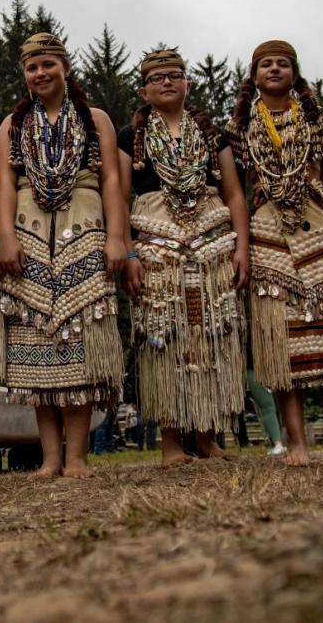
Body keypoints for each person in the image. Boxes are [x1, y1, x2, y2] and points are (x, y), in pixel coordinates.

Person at [0, 32, 125, 478]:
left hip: (86, 227)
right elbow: (3, 185)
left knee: (82, 343)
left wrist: (116, 239)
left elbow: (111, 180)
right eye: (32, 67)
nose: (40, 73)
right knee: (36, 346)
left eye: (47, 64)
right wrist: (4, 240)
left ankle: (77, 458)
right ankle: (51, 458)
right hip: (29, 231)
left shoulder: (96, 120)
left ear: (65, 67)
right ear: (25, 75)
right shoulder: (13, 125)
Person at [226, 39, 323, 467]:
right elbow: (239, 193)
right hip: (268, 233)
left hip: (319, 227)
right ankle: (297, 444)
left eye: (283, 63)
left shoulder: (318, 122)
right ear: (254, 75)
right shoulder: (242, 128)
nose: (275, 69)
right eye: (266, 64)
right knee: (281, 344)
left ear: (295, 73)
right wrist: (241, 242)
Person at [118, 47, 249, 467]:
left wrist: (241, 246)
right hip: (156, 245)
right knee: (163, 338)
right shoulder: (130, 138)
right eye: (157, 77)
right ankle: (172, 443)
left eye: (174, 74)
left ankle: (209, 439)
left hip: (212, 244)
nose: (167, 82)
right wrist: (129, 252)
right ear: (143, 89)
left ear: (187, 83)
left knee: (213, 333)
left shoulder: (213, 135)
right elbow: (120, 198)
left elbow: (233, 193)